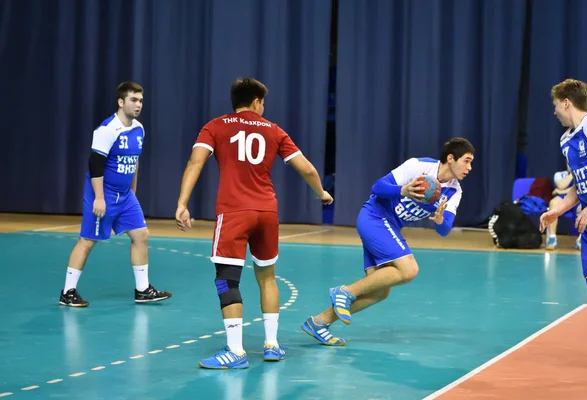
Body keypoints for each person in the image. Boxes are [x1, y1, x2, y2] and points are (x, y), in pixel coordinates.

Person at [175, 77, 333, 369]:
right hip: (267, 212)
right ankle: (271, 345)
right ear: (257, 102)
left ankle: (235, 351)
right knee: (267, 276)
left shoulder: (215, 126)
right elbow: (308, 169)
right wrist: (321, 193)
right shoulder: (274, 130)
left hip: (234, 212)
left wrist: (182, 204)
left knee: (227, 279)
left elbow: (195, 162)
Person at [302, 138, 475, 346]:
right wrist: (403, 190)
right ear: (450, 158)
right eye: (466, 161)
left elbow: (445, 229)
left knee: (379, 292)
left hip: (389, 227)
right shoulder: (418, 166)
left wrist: (439, 220)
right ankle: (344, 292)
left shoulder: (455, 191)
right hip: (374, 216)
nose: (469, 167)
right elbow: (377, 187)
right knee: (409, 269)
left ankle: (319, 322)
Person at [59, 82, 172, 307]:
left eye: (140, 100)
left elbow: (134, 161)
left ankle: (142, 290)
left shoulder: (139, 129)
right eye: (133, 100)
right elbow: (95, 165)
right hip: (104, 193)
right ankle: (68, 292)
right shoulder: (107, 130)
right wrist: (99, 198)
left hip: (125, 195)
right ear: (121, 102)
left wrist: (133, 191)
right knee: (88, 240)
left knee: (141, 235)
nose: (138, 104)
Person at [540, 78, 587, 306]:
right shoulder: (566, 140)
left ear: (566, 103)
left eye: (555, 104)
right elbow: (579, 183)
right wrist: (559, 210)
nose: (554, 111)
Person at [545, 165, 581, 250]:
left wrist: (561, 191)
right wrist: (573, 173)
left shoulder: (583, 173)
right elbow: (561, 185)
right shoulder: (559, 174)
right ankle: (552, 238)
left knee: (586, 207)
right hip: (564, 199)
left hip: (579, 198)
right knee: (553, 203)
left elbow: (580, 188)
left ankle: (582, 239)